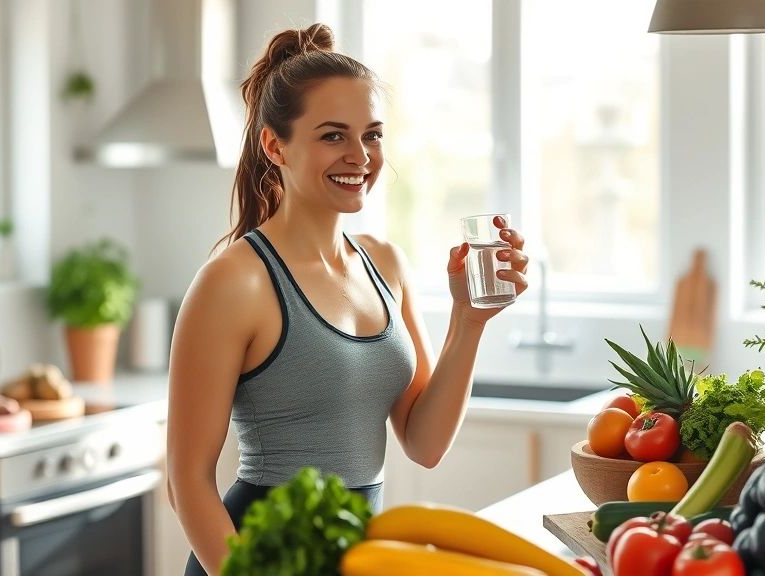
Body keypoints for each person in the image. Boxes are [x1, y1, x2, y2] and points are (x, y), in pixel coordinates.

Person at [166, 22, 530, 576]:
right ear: (274, 145)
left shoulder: (385, 263)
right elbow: (186, 482)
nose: (360, 156)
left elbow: (425, 443)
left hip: (358, 558)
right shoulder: (235, 281)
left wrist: (469, 320)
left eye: (373, 134)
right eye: (333, 135)